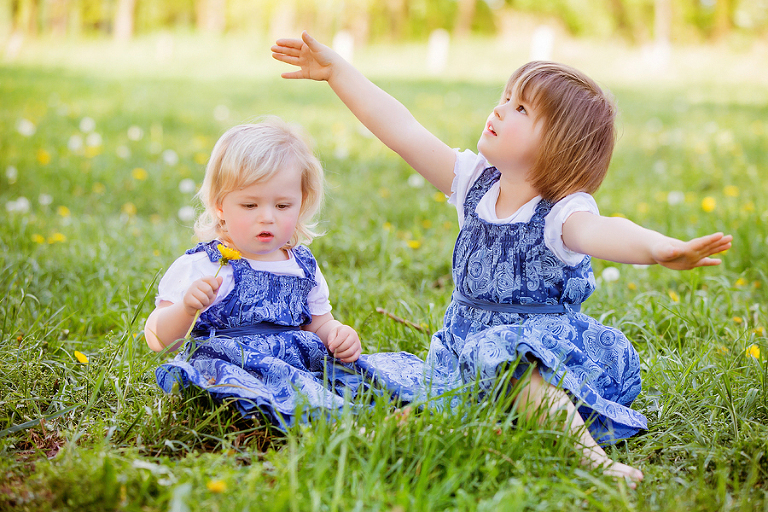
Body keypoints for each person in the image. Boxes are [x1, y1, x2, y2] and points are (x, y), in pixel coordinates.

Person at [271, 32, 733, 484]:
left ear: (558, 145)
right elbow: (403, 131)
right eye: (505, 97)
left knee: (514, 370)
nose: (499, 109)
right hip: (462, 353)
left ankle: (593, 461)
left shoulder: (560, 215)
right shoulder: (474, 184)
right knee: (380, 383)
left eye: (521, 108)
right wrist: (337, 72)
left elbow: (608, 231)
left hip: (536, 353)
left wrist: (659, 249)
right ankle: (455, 416)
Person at [145, 118, 423, 429]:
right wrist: (186, 308)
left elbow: (317, 322)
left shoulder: (301, 265)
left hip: (295, 363)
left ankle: (363, 412)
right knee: (251, 387)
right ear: (220, 205)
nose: (267, 218)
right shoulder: (204, 265)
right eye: (250, 205)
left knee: (357, 377)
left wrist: (335, 334)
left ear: (302, 203)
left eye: (282, 205)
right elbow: (158, 340)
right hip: (233, 362)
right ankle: (323, 417)